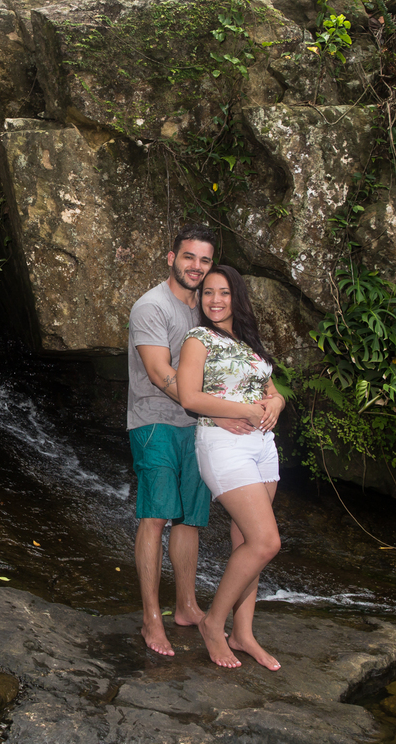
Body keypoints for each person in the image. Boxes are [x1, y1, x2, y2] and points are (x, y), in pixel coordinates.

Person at [127, 225, 261, 657]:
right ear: (172, 258)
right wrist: (216, 411)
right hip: (155, 424)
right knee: (155, 516)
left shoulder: (209, 309)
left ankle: (186, 605)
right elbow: (160, 373)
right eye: (189, 258)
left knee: (188, 519)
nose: (196, 268)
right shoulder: (151, 307)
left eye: (204, 261)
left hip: (200, 430)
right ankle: (151, 618)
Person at [177, 264, 284, 671]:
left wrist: (275, 403)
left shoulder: (249, 342)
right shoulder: (198, 339)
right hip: (223, 445)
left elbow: (270, 391)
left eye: (223, 292)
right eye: (207, 293)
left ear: (236, 297)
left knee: (248, 547)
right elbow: (190, 396)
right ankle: (212, 624)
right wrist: (242, 409)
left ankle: (243, 633)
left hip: (262, 447)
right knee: (265, 542)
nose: (215, 300)